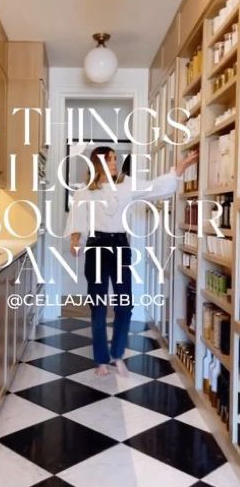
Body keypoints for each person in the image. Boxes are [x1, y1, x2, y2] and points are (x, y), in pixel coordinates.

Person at [64, 146, 199, 377]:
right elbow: (77, 218)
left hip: (120, 246)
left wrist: (181, 168)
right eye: (110, 159)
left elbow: (155, 186)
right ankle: (101, 361)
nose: (115, 162)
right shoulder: (85, 191)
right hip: (96, 246)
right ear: (98, 163)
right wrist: (75, 240)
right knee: (98, 306)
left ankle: (117, 355)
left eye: (116, 158)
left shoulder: (126, 184)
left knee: (124, 304)